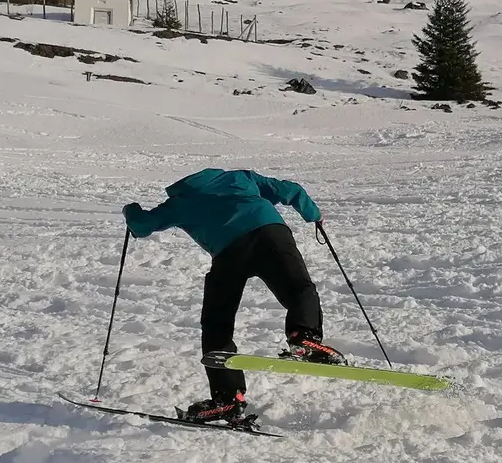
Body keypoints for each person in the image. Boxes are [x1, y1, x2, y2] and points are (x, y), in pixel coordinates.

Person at [124, 168, 345, 424]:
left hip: (229, 253)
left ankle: (227, 398)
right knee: (299, 288)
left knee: (217, 323)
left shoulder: (179, 202)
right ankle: (304, 337)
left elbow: (141, 225)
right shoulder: (240, 177)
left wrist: (130, 210)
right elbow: (290, 190)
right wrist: (314, 215)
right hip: (270, 234)